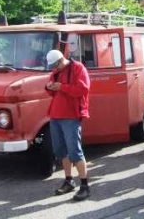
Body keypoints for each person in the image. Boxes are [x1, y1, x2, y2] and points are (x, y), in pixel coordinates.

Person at [45, 49, 91, 201]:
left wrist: (62, 87)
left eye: (54, 65)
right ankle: (69, 180)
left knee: (75, 151)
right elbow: (52, 90)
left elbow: (84, 89)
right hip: (55, 116)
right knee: (61, 151)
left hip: (71, 116)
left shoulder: (78, 68)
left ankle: (85, 186)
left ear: (60, 60)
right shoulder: (56, 71)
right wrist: (49, 87)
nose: (53, 69)